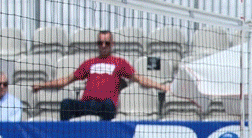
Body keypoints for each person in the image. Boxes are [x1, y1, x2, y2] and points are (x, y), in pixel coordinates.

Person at [32, 30, 169, 121]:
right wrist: (43, 85)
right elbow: (66, 80)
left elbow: (140, 79)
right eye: (100, 43)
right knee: (66, 104)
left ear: (112, 44)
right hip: (86, 103)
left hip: (104, 105)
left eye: (107, 43)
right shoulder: (89, 63)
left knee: (109, 106)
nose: (103, 46)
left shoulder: (119, 63)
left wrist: (162, 86)